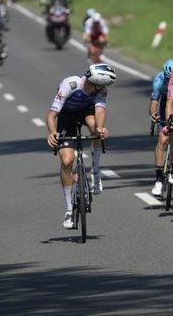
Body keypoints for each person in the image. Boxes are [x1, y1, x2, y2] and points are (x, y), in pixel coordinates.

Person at [46, 63, 117, 229]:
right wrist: (52, 132)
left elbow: (99, 111)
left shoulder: (101, 90)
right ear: (96, 82)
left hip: (87, 113)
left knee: (95, 129)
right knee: (67, 161)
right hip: (66, 118)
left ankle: (96, 173)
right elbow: (52, 114)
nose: (105, 88)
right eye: (104, 85)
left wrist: (100, 129)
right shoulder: (70, 85)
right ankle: (69, 209)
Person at [149, 58, 173, 196]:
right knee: (162, 139)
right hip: (165, 104)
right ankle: (159, 179)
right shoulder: (159, 80)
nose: (169, 82)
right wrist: (154, 114)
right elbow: (154, 102)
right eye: (168, 79)